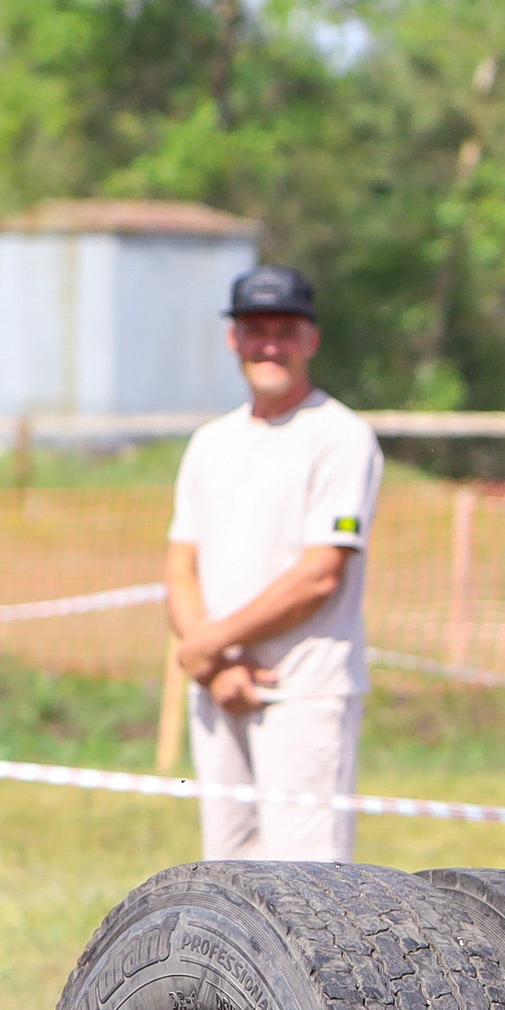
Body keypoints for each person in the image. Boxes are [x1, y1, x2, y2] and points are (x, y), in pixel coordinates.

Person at [165, 264, 384, 861]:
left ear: (311, 339)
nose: (269, 345)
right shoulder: (210, 442)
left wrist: (207, 647)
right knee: (226, 882)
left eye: (285, 331)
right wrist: (214, 666)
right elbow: (181, 564)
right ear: (233, 339)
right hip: (218, 690)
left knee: (309, 887)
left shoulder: (340, 437)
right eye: (254, 329)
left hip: (303, 693)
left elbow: (320, 575)